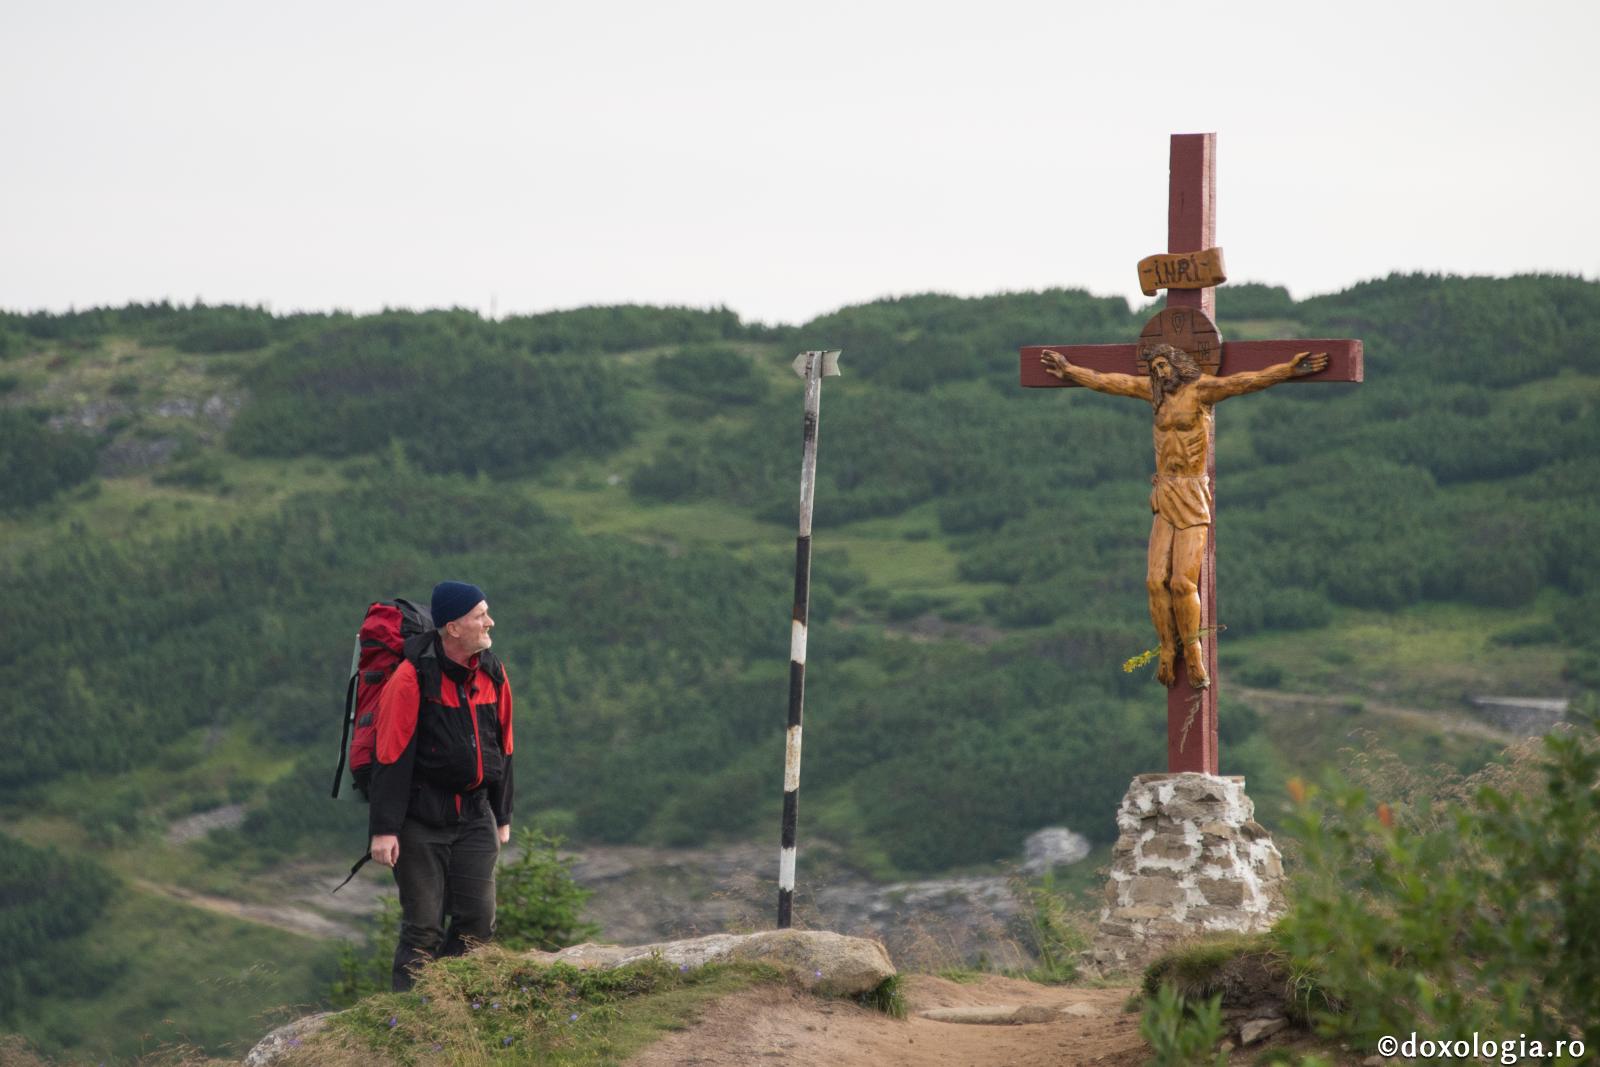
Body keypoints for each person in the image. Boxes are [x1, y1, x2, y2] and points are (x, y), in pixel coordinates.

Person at [1039, 343, 1327, 690]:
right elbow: (1107, 381)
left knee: (1181, 582)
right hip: (1165, 491)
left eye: (1164, 365)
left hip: (1192, 493)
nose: (1159, 373)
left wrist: (1286, 370)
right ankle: (1166, 647)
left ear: (1180, 365)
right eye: (1155, 367)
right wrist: (1070, 371)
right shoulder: (1154, 393)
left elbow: (1245, 381)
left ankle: (1193, 650)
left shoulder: (1202, 390)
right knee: (1153, 580)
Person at [368, 580, 513, 991]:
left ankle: (456, 1004)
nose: (490, 622)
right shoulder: (412, 678)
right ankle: (409, 1020)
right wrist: (384, 830)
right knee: (423, 929)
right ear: (453, 627)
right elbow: (390, 757)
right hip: (420, 821)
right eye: (480, 615)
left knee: (477, 923)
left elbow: (505, 746)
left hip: (474, 815)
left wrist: (501, 815)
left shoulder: (492, 671)